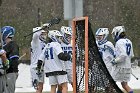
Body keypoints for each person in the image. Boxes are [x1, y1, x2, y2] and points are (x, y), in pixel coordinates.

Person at [111, 26, 134, 93]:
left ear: (118, 33)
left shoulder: (119, 42)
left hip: (120, 67)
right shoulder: (129, 41)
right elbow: (131, 55)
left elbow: (123, 55)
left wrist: (115, 61)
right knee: (124, 85)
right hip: (128, 67)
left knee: (111, 84)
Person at [1, 26, 19, 93]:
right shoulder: (3, 46)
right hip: (3, 73)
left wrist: (6, 65)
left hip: (10, 73)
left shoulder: (13, 45)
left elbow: (14, 61)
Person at [30, 26, 47, 93]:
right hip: (35, 67)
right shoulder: (35, 42)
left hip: (41, 67)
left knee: (41, 88)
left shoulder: (44, 44)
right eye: (42, 34)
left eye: (45, 34)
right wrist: (42, 28)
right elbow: (35, 35)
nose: (44, 36)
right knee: (38, 88)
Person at [57, 26, 73, 93]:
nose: (69, 37)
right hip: (61, 67)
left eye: (70, 35)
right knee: (61, 86)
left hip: (70, 67)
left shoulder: (73, 44)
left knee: (74, 84)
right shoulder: (58, 44)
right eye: (67, 35)